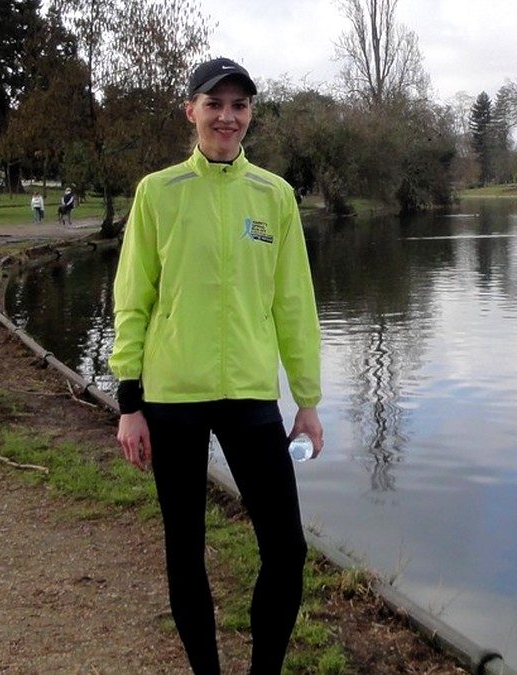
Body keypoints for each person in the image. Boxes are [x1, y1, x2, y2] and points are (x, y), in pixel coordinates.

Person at [109, 57, 323, 675]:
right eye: (215, 103)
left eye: (240, 105)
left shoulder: (275, 196)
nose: (227, 116)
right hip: (172, 396)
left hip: (251, 395)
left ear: (250, 114)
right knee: (186, 549)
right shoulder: (159, 192)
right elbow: (133, 299)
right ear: (192, 111)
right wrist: (129, 403)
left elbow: (295, 306)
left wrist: (306, 401)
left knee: (286, 549)